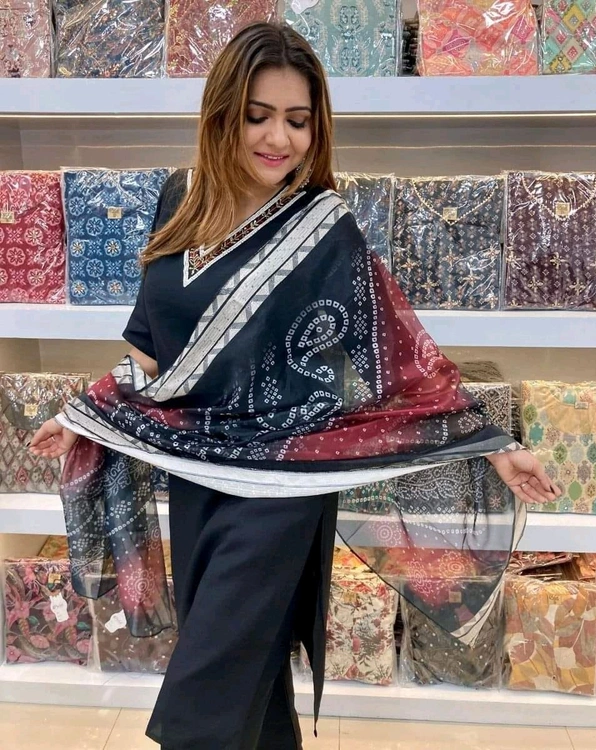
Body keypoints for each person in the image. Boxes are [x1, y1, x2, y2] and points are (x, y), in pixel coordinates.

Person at [30, 22, 560, 750]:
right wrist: (83, 414)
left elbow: (396, 362)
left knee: (206, 690)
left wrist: (493, 445)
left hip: (283, 487)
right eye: (258, 115)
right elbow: (151, 352)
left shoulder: (322, 227)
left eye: (298, 120)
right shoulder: (180, 199)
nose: (278, 137)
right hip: (196, 473)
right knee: (250, 671)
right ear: (223, 114)